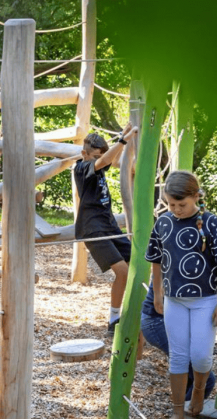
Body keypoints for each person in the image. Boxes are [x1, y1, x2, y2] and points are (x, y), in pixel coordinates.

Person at [146, 170, 217, 419]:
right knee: (178, 356)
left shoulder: (211, 223)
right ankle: (177, 411)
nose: (176, 209)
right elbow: (156, 261)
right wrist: (158, 293)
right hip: (174, 300)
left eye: (181, 204)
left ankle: (199, 390)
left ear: (195, 196)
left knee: (201, 356)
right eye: (171, 204)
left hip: (205, 300)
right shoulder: (163, 222)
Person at [73, 124, 137, 336]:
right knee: (123, 271)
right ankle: (114, 319)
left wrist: (122, 136)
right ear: (84, 154)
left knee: (139, 264)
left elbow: (109, 158)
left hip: (109, 226)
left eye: (100, 156)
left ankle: (136, 312)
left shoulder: (98, 164)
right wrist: (123, 140)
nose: (99, 160)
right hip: (93, 230)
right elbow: (106, 159)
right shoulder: (81, 168)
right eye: (95, 156)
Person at [140, 283, 217, 401]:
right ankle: (185, 410)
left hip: (172, 320)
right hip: (157, 322)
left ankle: (183, 406)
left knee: (192, 377)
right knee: (206, 380)